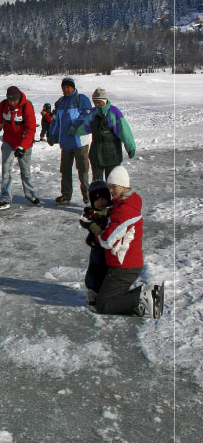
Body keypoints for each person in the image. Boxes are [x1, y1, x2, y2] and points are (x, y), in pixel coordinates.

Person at [85, 166, 164, 318]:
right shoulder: (123, 202)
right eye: (110, 187)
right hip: (124, 264)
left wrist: (95, 230)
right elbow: (111, 216)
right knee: (105, 297)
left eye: (114, 187)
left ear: (123, 185)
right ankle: (140, 298)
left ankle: (145, 298)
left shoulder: (125, 210)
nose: (111, 191)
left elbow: (107, 241)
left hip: (124, 267)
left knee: (103, 305)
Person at [68, 88, 136, 181]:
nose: (97, 104)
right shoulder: (92, 113)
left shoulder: (114, 112)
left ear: (105, 100)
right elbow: (85, 127)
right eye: (95, 102)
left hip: (112, 156)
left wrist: (130, 148)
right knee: (97, 185)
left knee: (112, 182)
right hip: (96, 155)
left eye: (99, 102)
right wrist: (74, 131)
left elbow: (124, 131)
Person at [0, 85, 39, 210]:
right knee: (6, 170)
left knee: (25, 171)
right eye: (10, 100)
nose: (12, 103)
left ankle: (30, 195)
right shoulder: (3, 105)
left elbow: (31, 128)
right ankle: (6, 198)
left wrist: (22, 147)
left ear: (18, 98)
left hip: (24, 143)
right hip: (9, 141)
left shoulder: (26, 106)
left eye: (14, 101)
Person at [47, 77, 93, 205]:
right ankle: (66, 195)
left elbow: (87, 114)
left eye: (68, 87)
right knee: (65, 169)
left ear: (73, 87)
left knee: (82, 170)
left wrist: (76, 125)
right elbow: (55, 120)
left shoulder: (81, 99)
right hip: (66, 143)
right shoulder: (60, 102)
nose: (66, 90)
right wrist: (51, 134)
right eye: (64, 87)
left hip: (79, 142)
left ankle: (87, 196)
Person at [79, 181, 112, 306]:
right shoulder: (91, 212)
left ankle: (108, 291)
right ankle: (92, 291)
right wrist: (92, 224)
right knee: (95, 268)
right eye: (97, 200)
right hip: (97, 247)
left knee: (109, 270)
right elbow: (83, 219)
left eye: (104, 199)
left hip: (110, 248)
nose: (101, 202)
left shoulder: (112, 210)